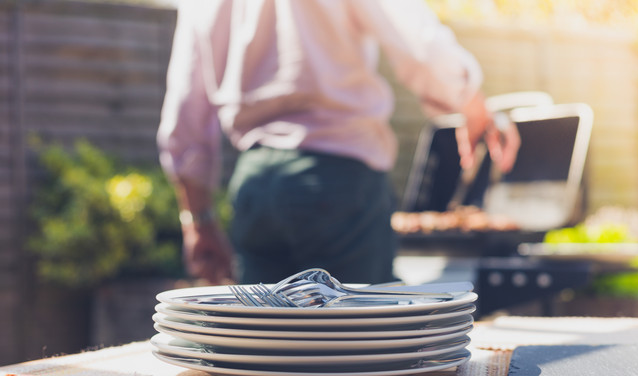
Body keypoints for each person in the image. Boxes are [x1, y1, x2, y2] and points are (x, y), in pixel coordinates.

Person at [157, 0, 520, 286]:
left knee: (265, 351)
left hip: (256, 187)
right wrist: (473, 105)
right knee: (358, 355)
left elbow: (185, 109)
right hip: (338, 182)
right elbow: (418, 43)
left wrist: (199, 221)